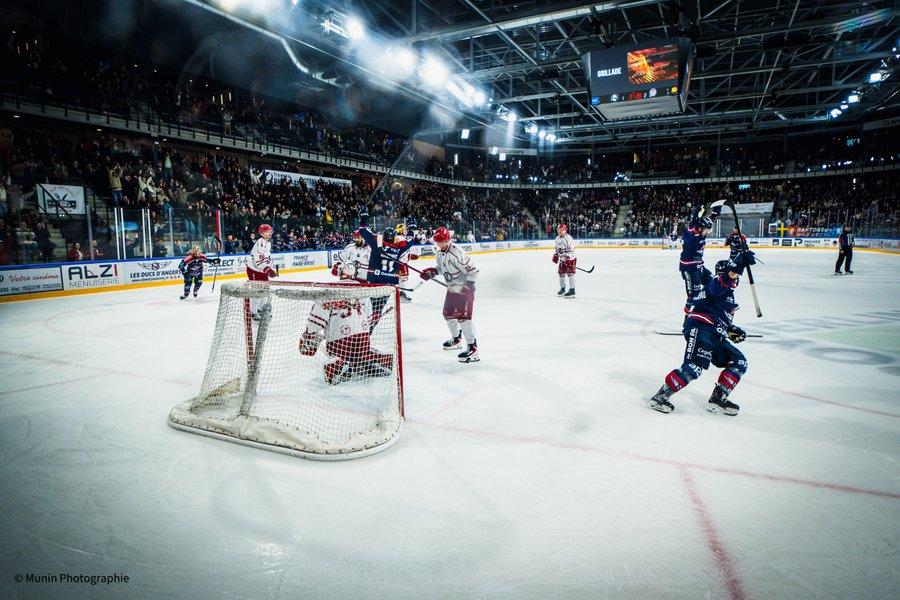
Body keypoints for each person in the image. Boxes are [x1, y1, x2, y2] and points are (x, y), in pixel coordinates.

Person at [649, 251, 756, 416]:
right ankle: (661, 397)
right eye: (732, 275)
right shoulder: (715, 284)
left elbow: (719, 317)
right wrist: (738, 265)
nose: (735, 279)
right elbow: (720, 284)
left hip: (715, 335)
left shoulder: (728, 296)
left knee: (739, 362)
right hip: (701, 330)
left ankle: (718, 398)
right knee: (694, 367)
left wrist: (731, 330)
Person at [299, 295, 394, 385]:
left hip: (339, 340)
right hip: (363, 336)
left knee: (341, 354)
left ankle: (338, 366)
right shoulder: (363, 292)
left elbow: (315, 322)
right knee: (363, 354)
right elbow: (369, 317)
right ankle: (372, 359)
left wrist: (309, 335)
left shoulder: (328, 295)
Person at [420, 226, 480, 363]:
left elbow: (473, 271)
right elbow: (441, 268)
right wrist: (432, 272)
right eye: (438, 241)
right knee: (448, 314)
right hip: (452, 288)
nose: (440, 244)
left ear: (448, 240)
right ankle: (456, 339)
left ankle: (473, 348)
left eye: (442, 241)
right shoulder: (439, 253)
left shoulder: (457, 253)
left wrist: (468, 287)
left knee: (464, 318)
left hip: (464, 289)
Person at [679, 205, 720, 312]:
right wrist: (695, 216)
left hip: (699, 265)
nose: (708, 232)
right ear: (700, 228)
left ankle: (710, 307)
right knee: (693, 296)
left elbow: (708, 222)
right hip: (689, 268)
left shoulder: (702, 232)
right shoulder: (691, 235)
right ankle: (689, 318)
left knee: (713, 283)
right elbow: (690, 228)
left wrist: (715, 213)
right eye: (707, 230)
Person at [246, 223, 277, 318]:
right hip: (253, 269)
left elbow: (266, 258)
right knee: (257, 291)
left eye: (270, 231)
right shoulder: (260, 242)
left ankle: (261, 309)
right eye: (267, 232)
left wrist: (269, 268)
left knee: (266, 290)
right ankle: (254, 312)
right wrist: (267, 269)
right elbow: (257, 260)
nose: (269, 233)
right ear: (262, 233)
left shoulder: (268, 243)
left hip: (261, 270)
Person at [552, 223, 576, 298]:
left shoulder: (569, 238)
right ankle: (562, 288)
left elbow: (571, 250)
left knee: (570, 274)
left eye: (561, 230)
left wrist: (568, 258)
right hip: (562, 259)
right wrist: (556, 255)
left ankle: (572, 290)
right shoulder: (557, 238)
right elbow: (557, 249)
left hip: (571, 259)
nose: (559, 231)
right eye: (558, 230)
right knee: (561, 274)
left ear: (565, 230)